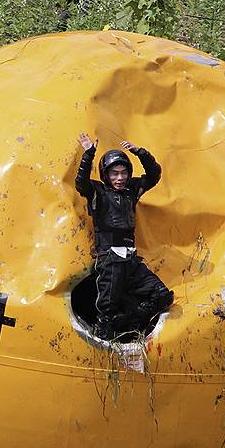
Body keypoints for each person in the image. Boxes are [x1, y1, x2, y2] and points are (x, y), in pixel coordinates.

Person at [75, 133, 174, 341]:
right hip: (110, 259)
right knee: (106, 316)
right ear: (105, 174)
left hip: (130, 258)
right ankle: (105, 356)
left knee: (162, 295)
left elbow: (154, 175)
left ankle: (132, 321)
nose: (119, 178)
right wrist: (88, 154)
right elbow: (81, 182)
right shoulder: (97, 192)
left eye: (123, 173)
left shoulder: (132, 190)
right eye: (114, 174)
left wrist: (140, 153)